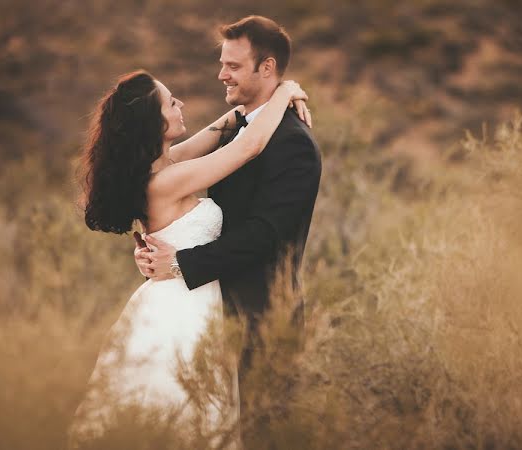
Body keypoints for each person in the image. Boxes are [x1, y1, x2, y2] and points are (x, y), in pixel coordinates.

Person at [67, 68, 310, 447]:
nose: (180, 104)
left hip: (172, 296)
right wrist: (286, 92)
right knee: (189, 413)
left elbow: (217, 132)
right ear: (154, 122)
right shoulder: (168, 180)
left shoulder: (163, 166)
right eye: (170, 101)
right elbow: (247, 148)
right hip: (186, 306)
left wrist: (258, 99)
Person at [135, 15, 323, 445]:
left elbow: (265, 236)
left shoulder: (292, 142)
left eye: (233, 66)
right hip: (209, 316)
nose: (221, 73)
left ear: (268, 68)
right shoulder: (235, 131)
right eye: (222, 63)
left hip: (261, 320)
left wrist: (180, 262)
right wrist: (158, 247)